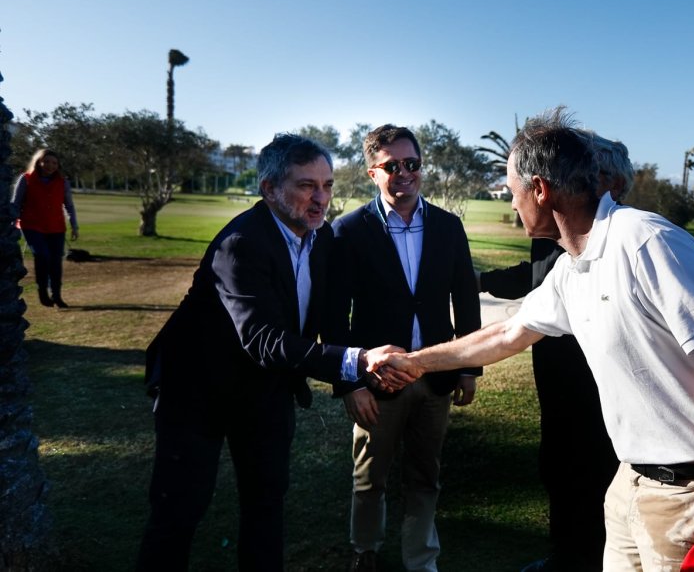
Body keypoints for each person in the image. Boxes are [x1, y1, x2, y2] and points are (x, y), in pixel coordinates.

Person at [370, 113, 694, 572]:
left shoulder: (645, 242)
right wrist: (416, 361)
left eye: (514, 192)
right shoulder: (570, 268)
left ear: (540, 190)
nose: (513, 205)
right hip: (630, 483)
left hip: (692, 492)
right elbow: (505, 334)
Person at [137, 134, 402, 571]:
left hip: (266, 393)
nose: (321, 199)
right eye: (306, 186)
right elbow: (264, 339)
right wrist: (356, 359)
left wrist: (350, 378)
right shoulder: (240, 244)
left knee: (266, 505)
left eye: (328, 185)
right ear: (269, 188)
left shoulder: (322, 242)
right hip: (196, 393)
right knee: (178, 512)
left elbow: (328, 321)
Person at [325, 124, 482, 572]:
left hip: (435, 378)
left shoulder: (449, 227)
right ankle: (365, 550)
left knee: (424, 476)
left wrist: (469, 368)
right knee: (368, 477)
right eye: (392, 166)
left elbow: (465, 301)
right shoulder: (348, 231)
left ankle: (421, 559)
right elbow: (335, 317)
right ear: (372, 172)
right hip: (375, 381)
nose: (404, 173)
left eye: (411, 164)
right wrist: (348, 383)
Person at [475, 127, 631, 572]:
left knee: (597, 477)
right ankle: (565, 556)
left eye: (591, 173)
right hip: (554, 373)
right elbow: (535, 281)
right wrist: (483, 282)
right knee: (557, 469)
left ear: (612, 185)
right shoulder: (553, 232)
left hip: (595, 382)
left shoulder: (623, 242)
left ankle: (595, 558)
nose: (577, 180)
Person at [13, 148, 79, 308]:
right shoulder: (26, 179)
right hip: (32, 226)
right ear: (39, 162)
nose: (50, 165)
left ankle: (57, 295)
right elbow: (15, 203)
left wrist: (74, 225)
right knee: (42, 256)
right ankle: (43, 291)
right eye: (47, 162)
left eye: (54, 163)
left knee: (56, 262)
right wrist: (11, 224)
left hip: (56, 227)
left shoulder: (63, 182)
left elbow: (69, 205)